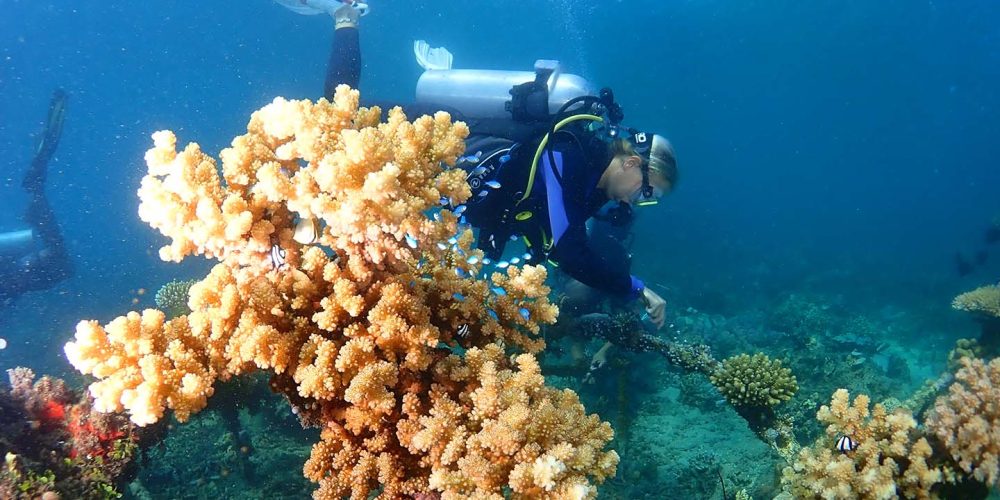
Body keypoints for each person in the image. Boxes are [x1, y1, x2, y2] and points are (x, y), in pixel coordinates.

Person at [323, 3, 676, 328]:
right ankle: (345, 15)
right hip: (446, 136)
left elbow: (562, 242)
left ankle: (439, 73)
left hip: (446, 175)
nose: (637, 201)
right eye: (646, 191)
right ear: (631, 163)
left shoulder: (593, 189)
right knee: (338, 112)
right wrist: (635, 288)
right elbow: (569, 251)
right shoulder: (568, 153)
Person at [0, 89, 73, 307]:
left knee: (62, 264)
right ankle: (37, 193)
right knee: (62, 263)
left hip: (10, 274)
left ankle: (37, 193)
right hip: (10, 275)